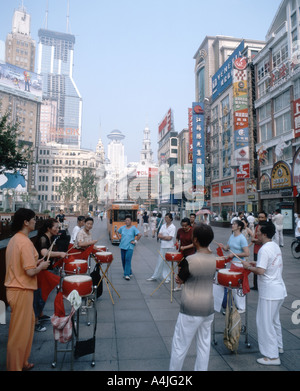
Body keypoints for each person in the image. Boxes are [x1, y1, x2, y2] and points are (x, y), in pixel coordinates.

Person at [5, 208, 50, 371]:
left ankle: (22, 361)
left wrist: (37, 264)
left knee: (27, 327)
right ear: (26, 222)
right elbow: (30, 271)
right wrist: (42, 266)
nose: (35, 222)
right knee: (18, 333)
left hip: (19, 288)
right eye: (33, 219)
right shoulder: (23, 241)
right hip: (20, 289)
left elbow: (24, 266)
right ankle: (14, 367)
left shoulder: (16, 239)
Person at [169, 223, 216, 371]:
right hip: (208, 308)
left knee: (180, 345)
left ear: (195, 240)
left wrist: (180, 279)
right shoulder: (214, 259)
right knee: (204, 345)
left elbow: (180, 279)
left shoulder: (190, 260)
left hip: (190, 308)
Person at [241, 221, 287, 366]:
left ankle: (272, 356)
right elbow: (267, 265)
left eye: (258, 231)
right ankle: (278, 347)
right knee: (274, 321)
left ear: (265, 234)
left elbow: (261, 271)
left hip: (270, 292)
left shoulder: (264, 249)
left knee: (265, 323)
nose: (256, 234)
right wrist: (255, 263)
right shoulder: (273, 246)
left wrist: (248, 266)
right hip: (278, 290)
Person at [34, 218, 67, 332]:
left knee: (43, 293)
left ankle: (41, 315)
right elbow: (44, 253)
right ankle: (35, 321)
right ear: (48, 228)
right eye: (56, 227)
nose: (58, 229)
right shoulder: (43, 238)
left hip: (45, 269)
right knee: (40, 295)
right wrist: (59, 253)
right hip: (40, 270)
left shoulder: (50, 237)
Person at [219, 219, 250, 313]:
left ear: (239, 227)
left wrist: (234, 255)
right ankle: (234, 304)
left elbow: (247, 253)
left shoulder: (242, 238)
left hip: (240, 264)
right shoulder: (232, 236)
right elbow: (227, 248)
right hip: (232, 264)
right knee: (232, 286)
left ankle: (241, 307)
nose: (232, 225)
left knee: (238, 287)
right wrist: (222, 247)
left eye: (234, 224)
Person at [147, 213, 176, 283]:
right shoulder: (163, 226)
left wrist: (163, 237)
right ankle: (155, 276)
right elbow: (159, 235)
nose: (166, 219)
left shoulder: (173, 227)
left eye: (167, 218)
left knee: (168, 262)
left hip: (169, 247)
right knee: (160, 261)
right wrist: (164, 237)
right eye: (165, 217)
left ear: (171, 219)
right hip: (163, 246)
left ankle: (167, 277)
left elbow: (170, 238)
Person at [115, 215, 141, 280]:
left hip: (130, 246)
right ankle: (129, 272)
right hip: (122, 246)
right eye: (126, 220)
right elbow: (117, 232)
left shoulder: (133, 228)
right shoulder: (122, 228)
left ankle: (126, 274)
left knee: (127, 260)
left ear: (131, 221)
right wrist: (119, 238)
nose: (127, 221)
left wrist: (135, 241)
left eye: (128, 220)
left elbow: (139, 235)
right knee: (123, 260)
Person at [174, 218, 195, 292]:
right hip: (181, 252)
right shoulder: (180, 230)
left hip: (190, 253)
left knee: (187, 269)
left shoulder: (192, 232)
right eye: (182, 226)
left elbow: (194, 244)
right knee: (180, 268)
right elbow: (177, 238)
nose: (184, 227)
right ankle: (179, 285)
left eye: (186, 226)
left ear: (189, 225)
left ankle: (187, 285)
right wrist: (177, 243)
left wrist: (185, 247)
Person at [251, 211, 268, 290]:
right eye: (259, 217)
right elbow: (253, 239)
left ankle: (262, 285)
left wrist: (257, 241)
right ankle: (256, 285)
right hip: (256, 250)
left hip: (264, 251)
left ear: (266, 218)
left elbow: (262, 240)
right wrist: (258, 241)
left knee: (263, 268)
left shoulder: (267, 227)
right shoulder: (257, 226)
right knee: (256, 267)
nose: (260, 219)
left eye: (262, 217)